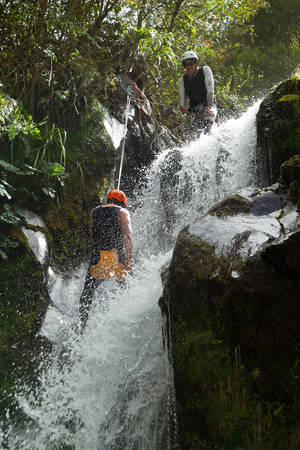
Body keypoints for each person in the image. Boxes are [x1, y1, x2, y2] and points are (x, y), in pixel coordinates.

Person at [78, 189, 133, 330]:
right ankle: (128, 321)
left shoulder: (94, 211)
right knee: (125, 289)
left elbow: (92, 232)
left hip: (98, 258)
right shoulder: (123, 212)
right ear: (122, 202)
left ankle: (81, 325)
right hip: (116, 257)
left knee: (86, 294)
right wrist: (128, 260)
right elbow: (128, 236)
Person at [178, 50, 218, 135]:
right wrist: (182, 108)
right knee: (193, 134)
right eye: (185, 64)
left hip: (208, 106)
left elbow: (210, 90)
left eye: (191, 63)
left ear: (196, 63)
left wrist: (210, 106)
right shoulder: (182, 80)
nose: (188, 67)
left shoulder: (205, 70)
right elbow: (182, 102)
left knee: (208, 120)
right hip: (194, 110)